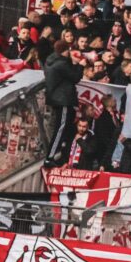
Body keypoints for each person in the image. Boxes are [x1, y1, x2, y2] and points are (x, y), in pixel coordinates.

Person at [41, 39, 84, 167]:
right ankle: (49, 157)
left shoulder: (51, 60)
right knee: (61, 127)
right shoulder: (61, 64)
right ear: (65, 50)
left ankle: (61, 151)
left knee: (66, 126)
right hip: (63, 99)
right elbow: (75, 77)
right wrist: (80, 65)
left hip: (58, 98)